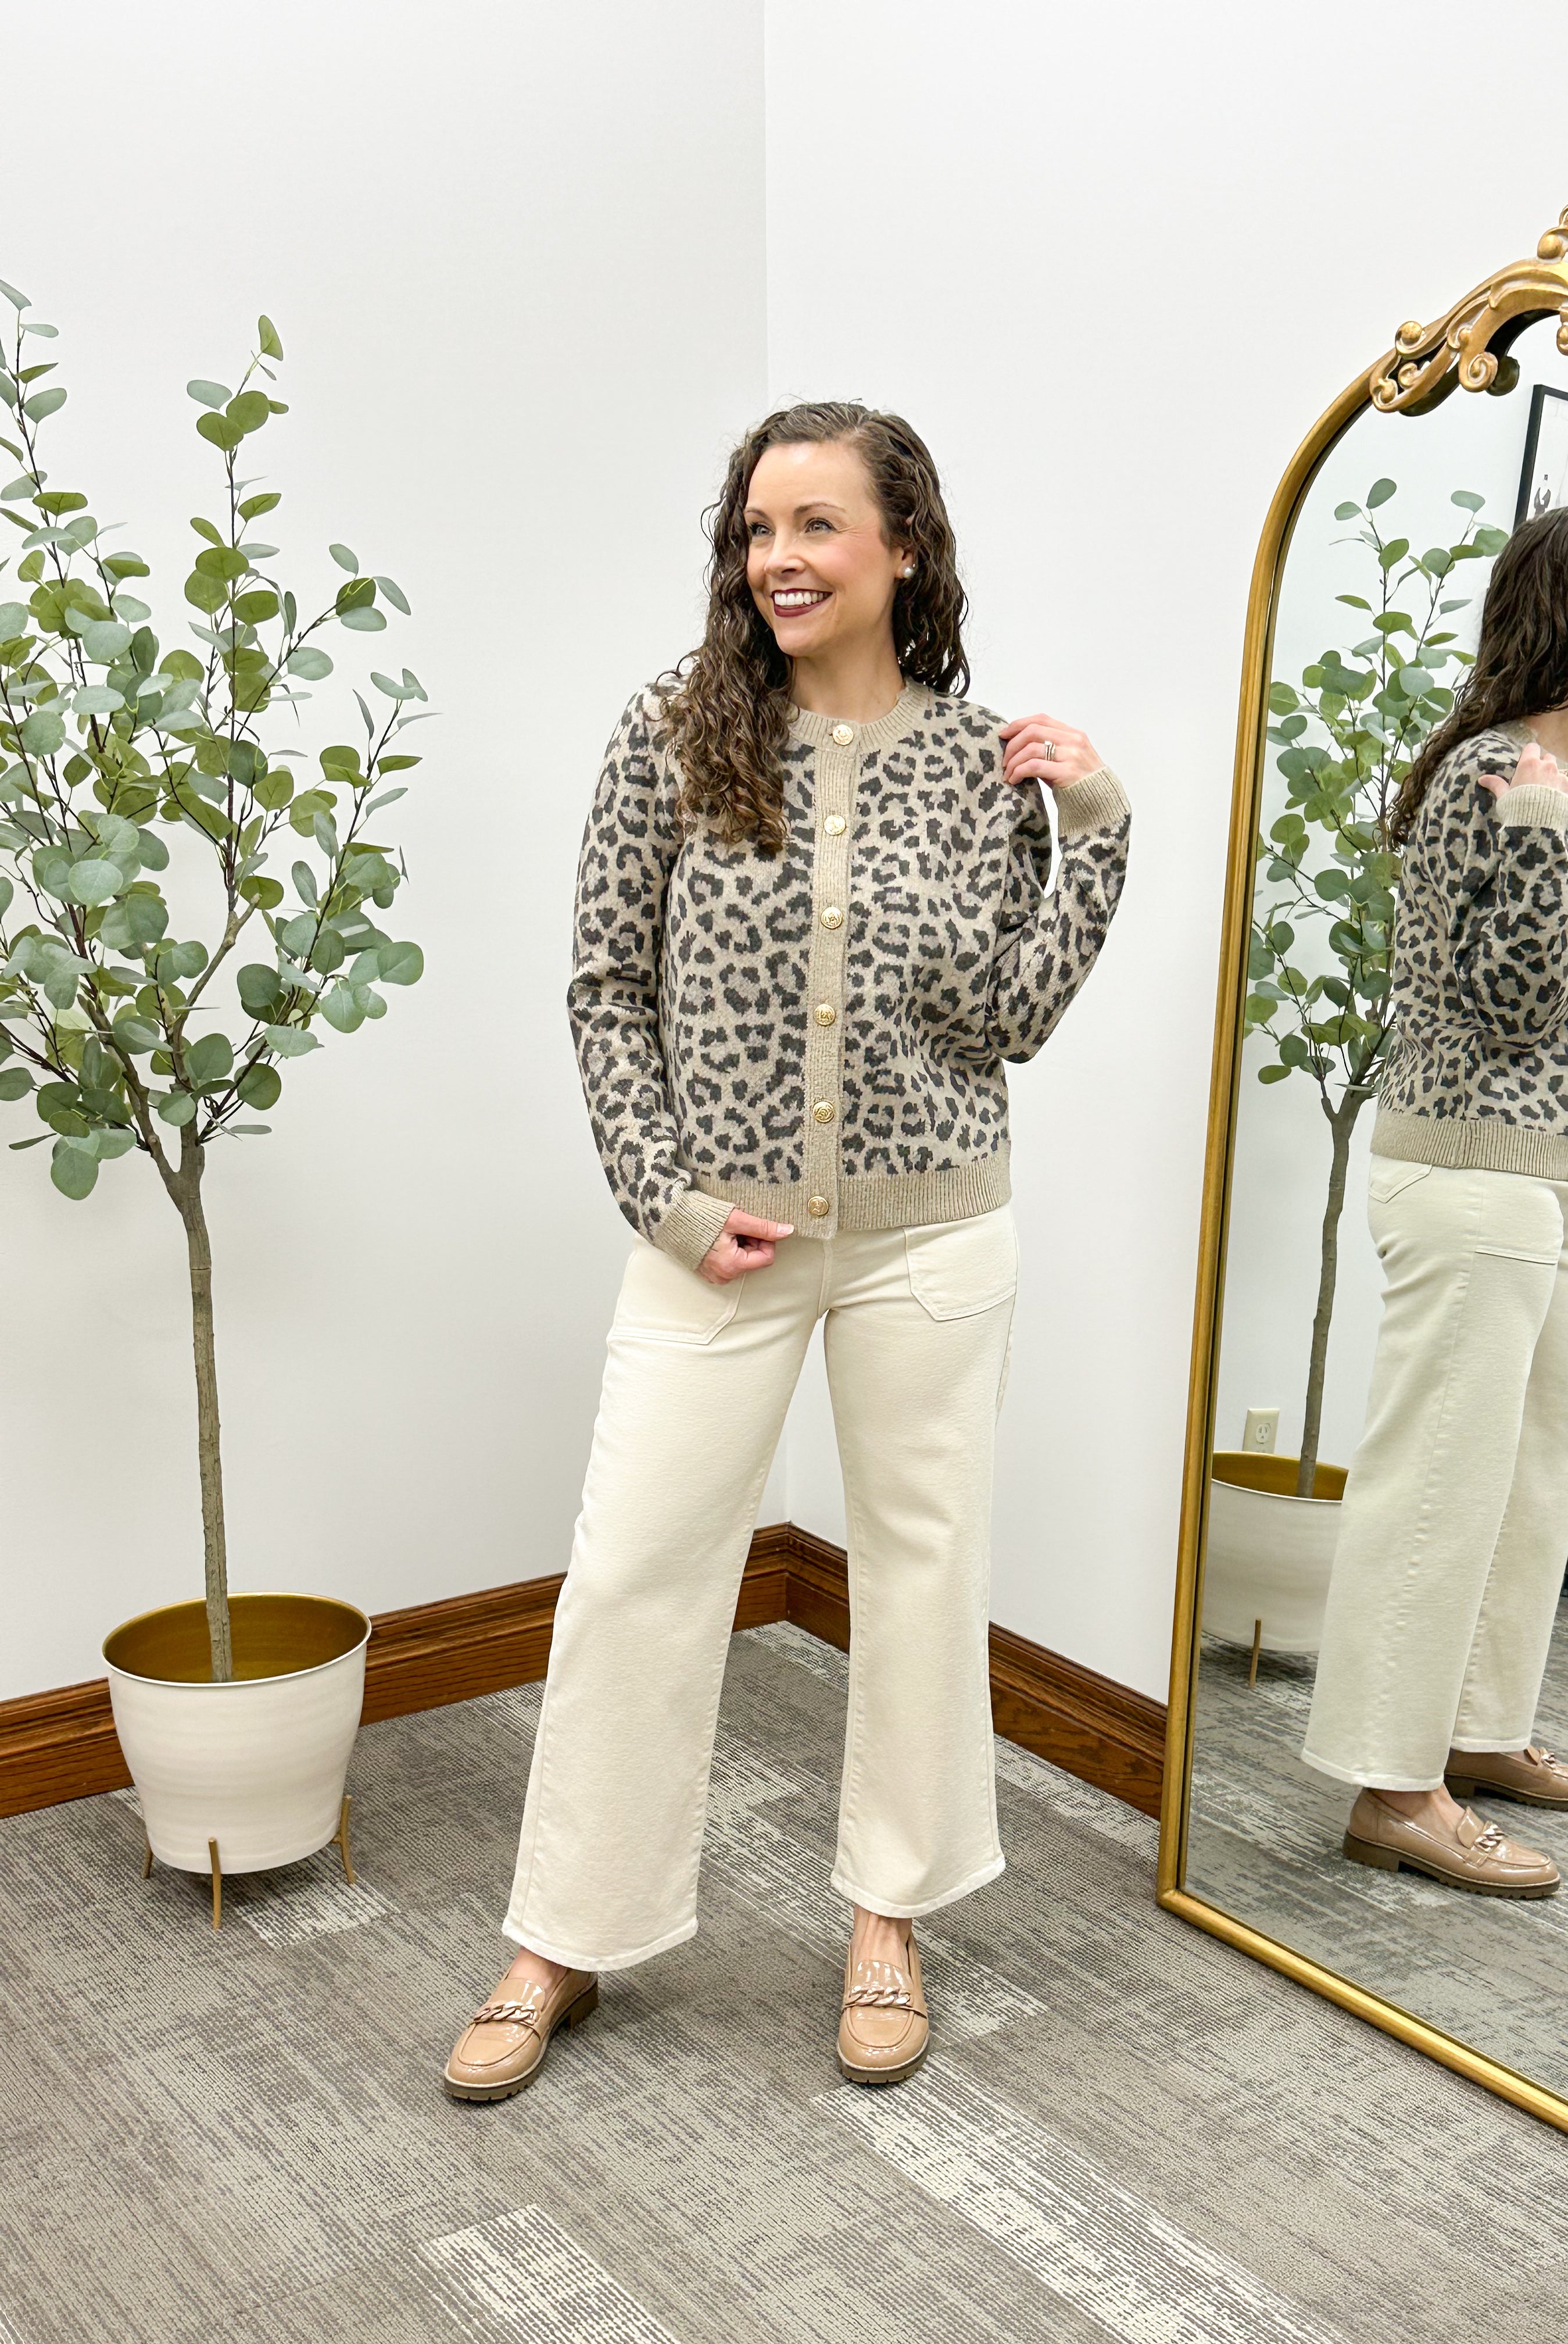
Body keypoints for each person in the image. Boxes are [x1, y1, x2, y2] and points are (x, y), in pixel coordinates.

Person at [442, 401, 1130, 2100]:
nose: (778, 559)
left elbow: (1011, 1018)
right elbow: (606, 989)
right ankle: (561, 1937)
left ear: (904, 546)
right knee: (634, 1572)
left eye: (817, 526)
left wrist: (1098, 830)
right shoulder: (674, 728)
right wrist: (667, 1195)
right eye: (758, 528)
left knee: (921, 1574)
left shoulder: (984, 766)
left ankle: (890, 1917)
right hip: (717, 1242)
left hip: (932, 1237)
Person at [1300, 503, 1568, 1897]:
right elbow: (1516, 1001)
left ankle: (1475, 1728)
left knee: (1532, 1474)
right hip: (1465, 1183)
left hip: (1541, 1186)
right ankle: (1393, 1786)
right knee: (1441, 1488)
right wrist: (1529, 820)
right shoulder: (1490, 777)